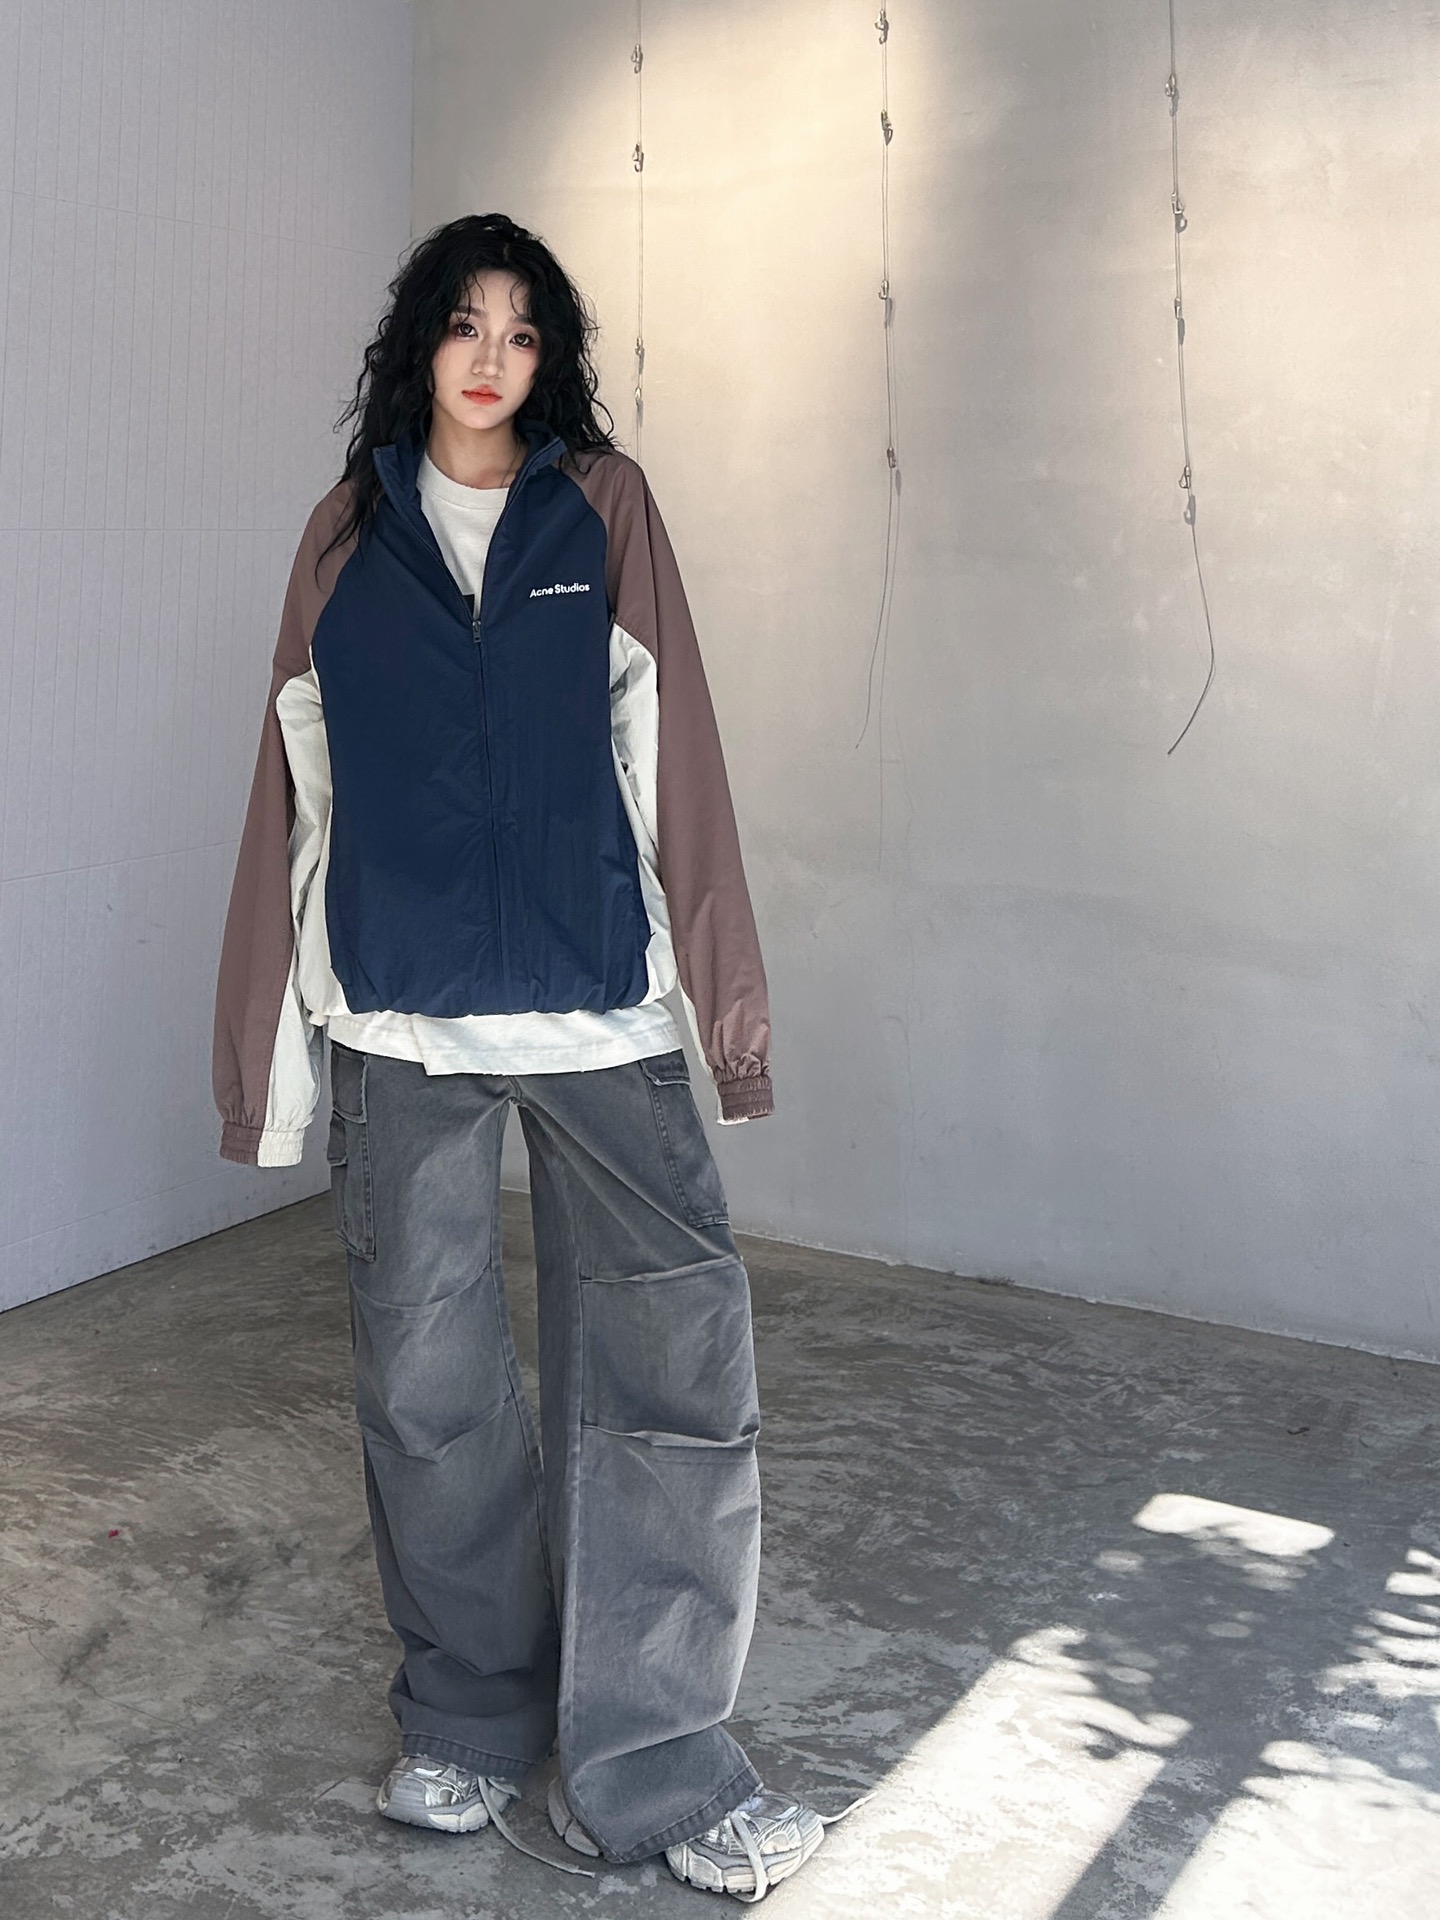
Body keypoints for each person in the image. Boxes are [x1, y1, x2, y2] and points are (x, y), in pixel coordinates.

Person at [211, 212, 824, 1902]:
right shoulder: (345, 535)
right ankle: (471, 1719)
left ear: (550, 359)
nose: (491, 356)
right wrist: (262, 1053)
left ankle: (658, 1766)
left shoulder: (601, 509)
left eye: (523, 330)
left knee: (671, 1373)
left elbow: (674, 753)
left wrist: (726, 1011)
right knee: (430, 1388)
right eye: (464, 323)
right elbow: (292, 792)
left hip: (598, 1007)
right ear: (418, 345)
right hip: (399, 1022)